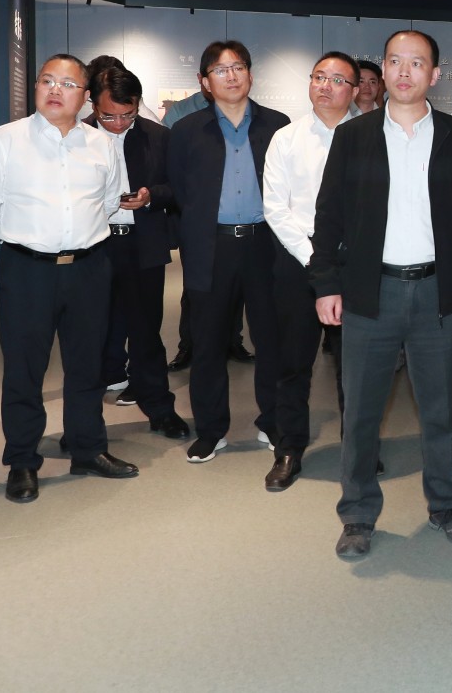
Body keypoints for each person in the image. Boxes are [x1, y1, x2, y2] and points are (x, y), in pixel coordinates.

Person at [312, 29, 452, 560]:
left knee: (440, 411)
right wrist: (326, 283)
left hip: (439, 293)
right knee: (361, 413)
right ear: (383, 70)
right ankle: (357, 514)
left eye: (417, 63)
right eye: (395, 61)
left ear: (435, 75)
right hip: (371, 293)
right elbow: (328, 216)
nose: (405, 71)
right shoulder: (354, 136)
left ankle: (446, 505)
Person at [0, 55, 138, 503]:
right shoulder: (3, 140)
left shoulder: (101, 144)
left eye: (67, 83)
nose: (55, 89)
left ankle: (88, 448)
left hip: (89, 268)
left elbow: (109, 201)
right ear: (37, 86)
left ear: (86, 96)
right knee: (24, 368)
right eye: (47, 80)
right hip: (28, 271)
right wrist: (22, 241)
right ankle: (23, 460)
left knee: (88, 364)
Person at [168, 41, 291, 463]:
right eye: (220, 70)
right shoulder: (187, 131)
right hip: (211, 246)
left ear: (250, 74)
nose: (232, 76)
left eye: (238, 67)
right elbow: (181, 191)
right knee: (207, 342)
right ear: (204, 81)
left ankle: (273, 420)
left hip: (266, 245)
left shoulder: (278, 126)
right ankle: (210, 429)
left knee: (271, 339)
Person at [259, 52, 361, 491]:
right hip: (298, 260)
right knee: (292, 361)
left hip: (354, 265)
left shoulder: (372, 136)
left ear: (354, 90)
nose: (325, 86)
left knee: (354, 365)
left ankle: (358, 448)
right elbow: (275, 208)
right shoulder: (286, 138)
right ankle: (289, 448)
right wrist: (313, 257)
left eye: (337, 80)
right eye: (319, 77)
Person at [85, 66, 190, 441]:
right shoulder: (75, 137)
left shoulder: (158, 136)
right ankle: (84, 423)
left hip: (141, 245)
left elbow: (178, 187)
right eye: (108, 116)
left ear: (137, 104)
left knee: (146, 332)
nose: (118, 124)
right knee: (89, 335)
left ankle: (160, 409)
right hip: (92, 247)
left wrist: (150, 196)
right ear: (92, 105)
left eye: (127, 115)